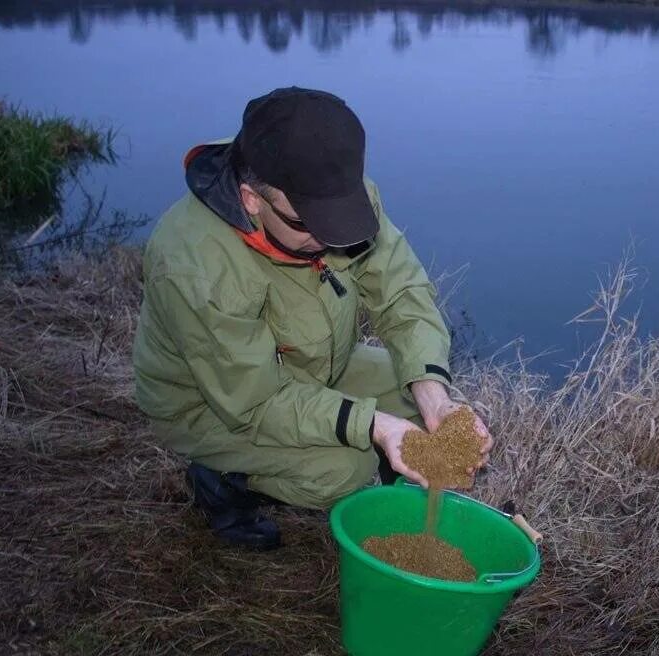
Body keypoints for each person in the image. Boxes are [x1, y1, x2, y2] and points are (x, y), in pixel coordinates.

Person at [132, 87, 492, 550]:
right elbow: (255, 400)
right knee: (346, 469)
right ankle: (222, 480)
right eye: (309, 225)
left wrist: (435, 399)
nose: (328, 239)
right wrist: (373, 427)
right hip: (211, 401)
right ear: (251, 199)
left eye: (338, 218)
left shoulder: (329, 186)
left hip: (310, 363)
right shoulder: (195, 266)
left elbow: (402, 294)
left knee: (410, 397)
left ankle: (373, 442)